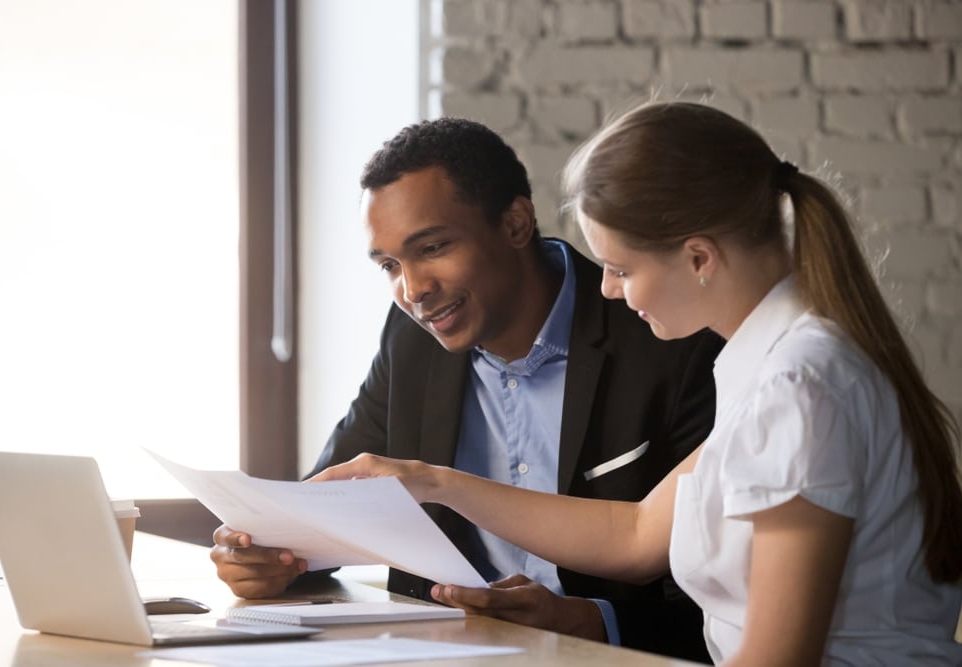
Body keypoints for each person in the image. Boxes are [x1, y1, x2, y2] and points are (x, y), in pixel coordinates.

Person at [313, 102, 962, 666]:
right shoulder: (772, 365)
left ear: (699, 258)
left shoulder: (799, 386)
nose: (608, 289)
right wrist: (434, 482)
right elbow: (635, 533)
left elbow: (774, 659)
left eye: (621, 267)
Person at [211, 117, 724, 662]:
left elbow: (723, 601)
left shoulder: (671, 342)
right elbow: (331, 502)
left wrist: (595, 620)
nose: (412, 291)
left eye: (431, 248)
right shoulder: (410, 342)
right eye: (389, 265)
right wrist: (268, 556)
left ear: (516, 223)